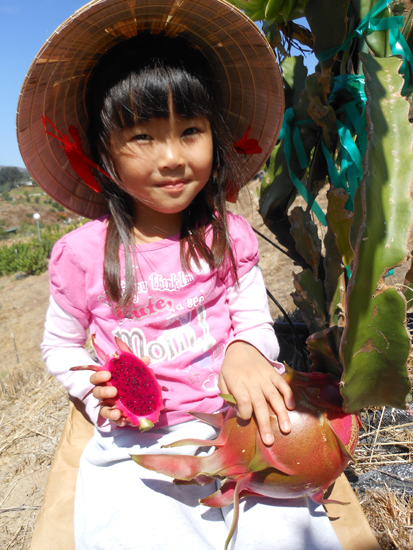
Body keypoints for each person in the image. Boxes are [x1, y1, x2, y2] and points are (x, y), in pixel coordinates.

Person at [17, 1, 343, 548]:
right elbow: (60, 346)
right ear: (105, 153)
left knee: (286, 530)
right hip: (135, 438)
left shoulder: (227, 235)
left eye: (190, 130)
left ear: (214, 136)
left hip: (232, 417)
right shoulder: (80, 256)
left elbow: (251, 320)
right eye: (143, 136)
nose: (171, 157)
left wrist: (247, 350)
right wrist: (95, 388)